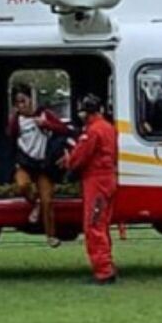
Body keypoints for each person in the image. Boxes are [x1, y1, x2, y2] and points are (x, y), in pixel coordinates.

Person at [61, 94, 118, 285]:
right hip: (109, 180)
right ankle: (107, 266)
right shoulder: (108, 128)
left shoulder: (92, 131)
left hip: (96, 182)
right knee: (102, 225)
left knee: (93, 226)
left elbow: (80, 156)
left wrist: (68, 162)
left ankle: (104, 271)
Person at [8, 84, 70, 248]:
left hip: (44, 165)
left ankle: (51, 235)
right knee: (23, 185)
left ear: (31, 99)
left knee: (48, 201)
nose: (22, 105)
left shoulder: (45, 115)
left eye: (24, 101)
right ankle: (35, 203)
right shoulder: (16, 121)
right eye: (18, 103)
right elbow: (11, 138)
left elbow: (64, 130)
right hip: (25, 163)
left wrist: (46, 125)